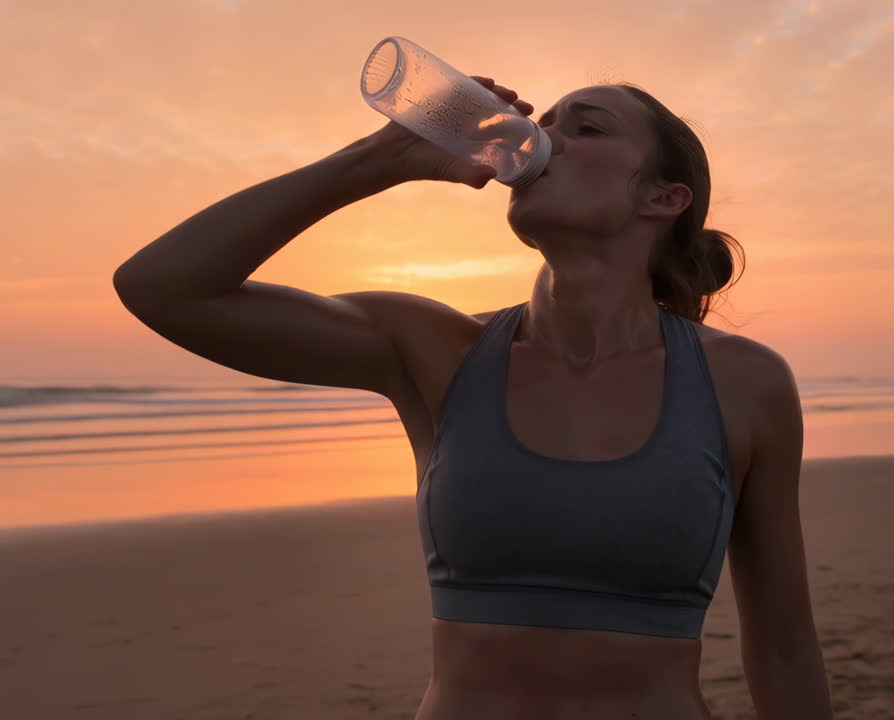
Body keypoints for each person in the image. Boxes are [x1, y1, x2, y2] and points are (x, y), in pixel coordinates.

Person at [114, 76, 832, 719]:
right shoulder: (433, 349)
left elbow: (784, 651)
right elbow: (163, 289)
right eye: (542, 122)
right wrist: (380, 160)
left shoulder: (744, 383)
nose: (541, 138)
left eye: (584, 127)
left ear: (662, 198)